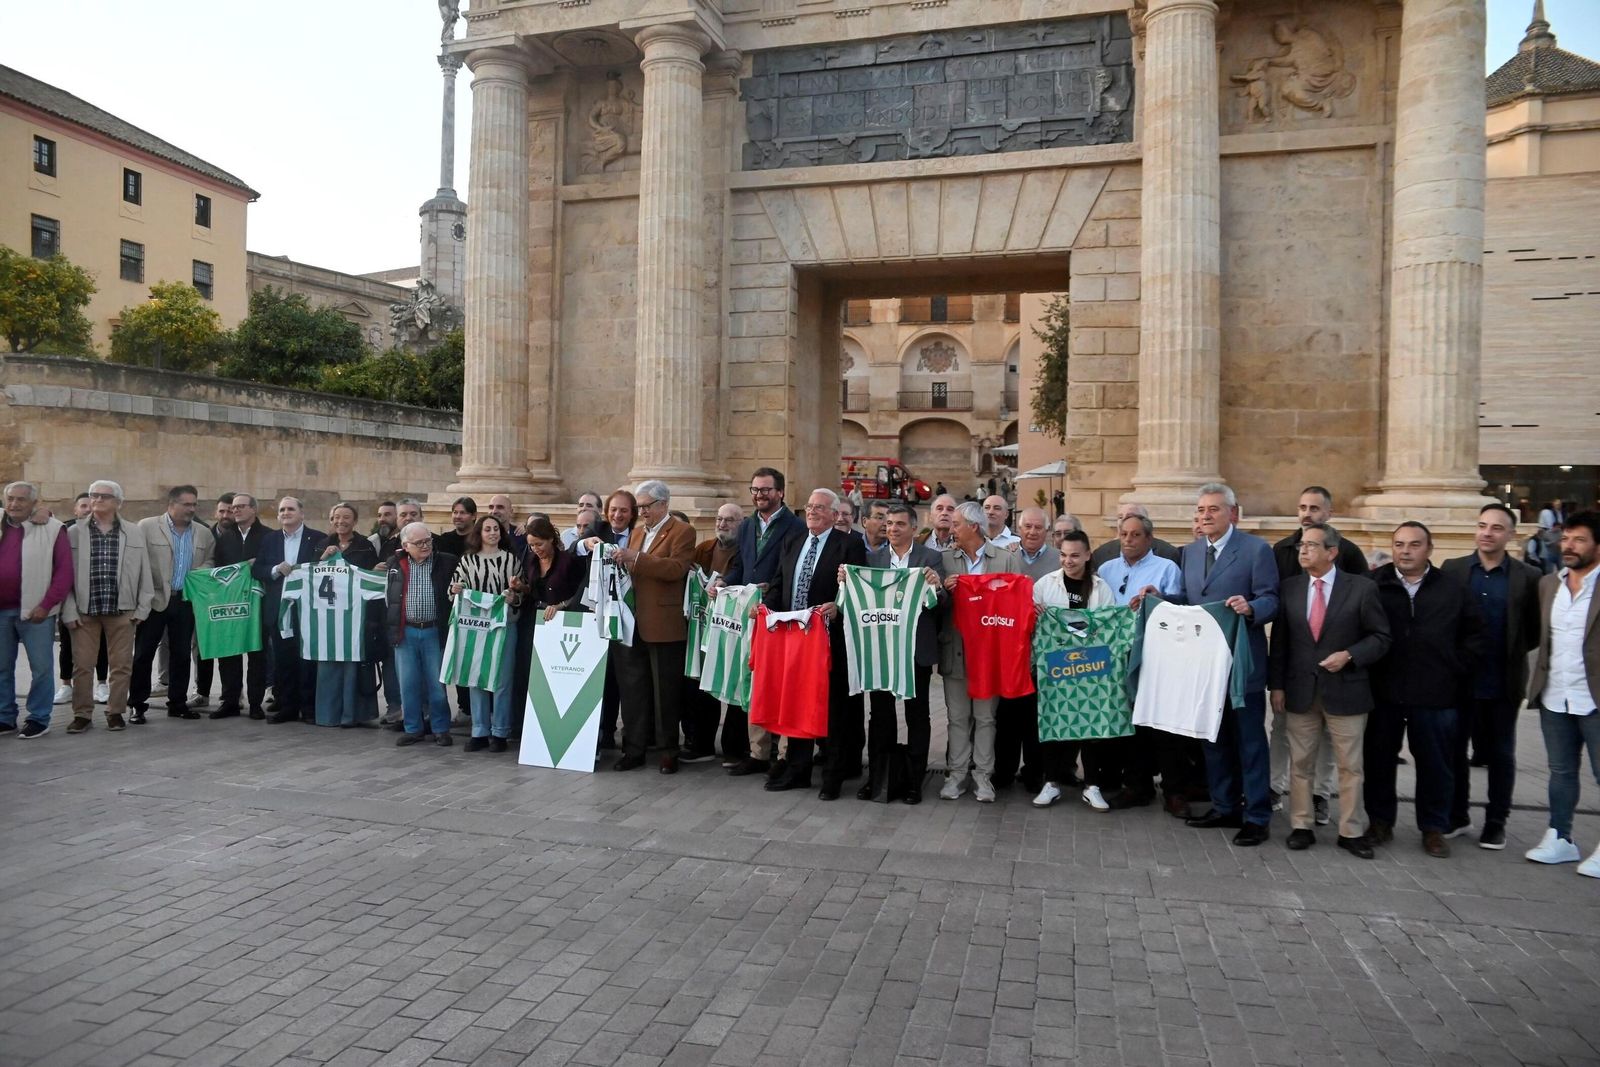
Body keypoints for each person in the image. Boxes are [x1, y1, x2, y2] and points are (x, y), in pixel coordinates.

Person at [1140, 483, 1279, 847]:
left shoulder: (1256, 550)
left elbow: (1271, 599)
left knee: (1250, 743)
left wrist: (1251, 608)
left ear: (1233, 513)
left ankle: (1257, 816)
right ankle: (1224, 806)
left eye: (1213, 509)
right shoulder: (1191, 552)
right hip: (1203, 666)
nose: (1205, 516)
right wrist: (1160, 598)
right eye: (1201, 510)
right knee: (1212, 739)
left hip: (1241, 664)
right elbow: (1188, 601)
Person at [1269, 523, 1391, 860]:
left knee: (1350, 766)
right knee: (1300, 763)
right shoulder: (1290, 588)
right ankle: (1301, 825)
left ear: (1332, 552)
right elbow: (1280, 642)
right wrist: (1276, 685)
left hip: (1347, 691)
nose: (1303, 550)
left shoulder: (1361, 588)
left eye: (1311, 545)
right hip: (1300, 691)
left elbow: (1381, 637)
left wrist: (1350, 655)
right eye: (1301, 545)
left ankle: (1351, 831)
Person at [1366, 521, 1480, 857]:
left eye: (1414, 545)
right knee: (1378, 761)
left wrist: (1454, 668)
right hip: (1384, 691)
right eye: (1399, 544)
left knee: (1435, 764)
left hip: (1435, 693)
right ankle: (1379, 822)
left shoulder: (1452, 588)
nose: (1405, 551)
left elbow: (1475, 635)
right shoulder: (1374, 585)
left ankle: (1433, 828)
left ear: (1429, 549)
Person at [1440, 504, 1542, 850]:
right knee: (1455, 751)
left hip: (1502, 682)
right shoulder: (1453, 569)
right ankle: (1457, 816)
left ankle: (1496, 822)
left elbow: (1532, 632)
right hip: (1459, 681)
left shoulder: (1528, 576)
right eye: (1482, 525)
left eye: (1496, 528)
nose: (1487, 533)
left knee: (1500, 755)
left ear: (1511, 534)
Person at [763, 488, 868, 796]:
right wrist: (767, 608)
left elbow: (856, 589)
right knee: (797, 705)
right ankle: (798, 771)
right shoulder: (793, 541)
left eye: (820, 507)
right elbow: (780, 581)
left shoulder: (849, 545)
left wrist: (839, 606)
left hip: (829, 641)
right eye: (809, 506)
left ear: (835, 515)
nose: (812, 511)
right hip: (794, 640)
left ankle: (833, 776)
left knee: (833, 709)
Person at [1096, 512, 1192, 813]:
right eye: (1124, 533)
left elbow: (1182, 609)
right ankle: (1137, 786)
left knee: (1164, 726)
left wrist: (1159, 599)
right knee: (1131, 723)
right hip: (1118, 657)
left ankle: (1174, 791)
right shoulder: (1106, 569)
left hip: (1158, 655)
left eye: (1136, 534)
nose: (1128, 540)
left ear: (1149, 538)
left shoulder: (1166, 568)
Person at [599, 481, 696, 774]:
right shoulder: (638, 532)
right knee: (633, 691)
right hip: (632, 622)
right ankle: (634, 749)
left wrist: (636, 558)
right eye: (639, 507)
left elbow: (676, 569)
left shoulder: (682, 531)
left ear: (663, 504)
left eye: (646, 506)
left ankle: (668, 751)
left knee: (665, 693)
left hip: (664, 624)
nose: (641, 512)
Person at [1523, 510, 1600, 876]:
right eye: (1566, 538)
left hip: (1595, 697)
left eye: (1579, 540)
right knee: (1561, 770)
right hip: (1555, 694)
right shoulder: (1548, 585)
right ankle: (1560, 837)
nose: (1568, 546)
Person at [859, 501, 945, 803]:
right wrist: (846, 582)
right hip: (882, 649)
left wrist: (937, 587)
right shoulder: (872, 559)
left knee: (917, 715)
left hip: (915, 649)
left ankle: (914, 781)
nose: (892, 529)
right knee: (880, 716)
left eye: (899, 524)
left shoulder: (930, 558)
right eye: (888, 524)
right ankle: (877, 778)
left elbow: (943, 603)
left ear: (913, 527)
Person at [721, 468, 804, 776]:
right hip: (750, 615)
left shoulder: (796, 527)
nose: (759, 495)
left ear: (780, 492)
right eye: (755, 489)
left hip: (779, 616)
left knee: (781, 686)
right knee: (755, 683)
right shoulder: (746, 525)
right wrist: (724, 583)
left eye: (766, 490)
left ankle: (783, 754)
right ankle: (758, 752)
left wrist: (771, 590)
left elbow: (791, 570)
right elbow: (741, 567)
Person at [938, 500, 1022, 803]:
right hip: (956, 650)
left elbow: (1017, 604)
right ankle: (956, 775)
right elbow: (933, 603)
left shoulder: (1006, 560)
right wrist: (943, 589)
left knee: (986, 718)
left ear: (974, 527)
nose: (951, 529)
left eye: (957, 524)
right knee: (957, 717)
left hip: (991, 654)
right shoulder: (944, 560)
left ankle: (983, 776)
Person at [1031, 529, 1116, 811]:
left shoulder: (1101, 588)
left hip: (1091, 664)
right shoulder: (1045, 584)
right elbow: (1032, 626)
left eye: (1075, 556)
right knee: (1053, 721)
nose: (1068, 561)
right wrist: (1034, 614)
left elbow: (1107, 625)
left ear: (1088, 555)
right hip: (1054, 665)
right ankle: (1051, 782)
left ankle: (1092, 785)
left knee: (1091, 725)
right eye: (1064, 555)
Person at [61, 481, 154, 734]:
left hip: (122, 610)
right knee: (82, 665)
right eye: (94, 495)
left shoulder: (133, 532)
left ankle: (115, 712)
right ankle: (82, 714)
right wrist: (68, 609)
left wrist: (143, 608)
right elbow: (63, 574)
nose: (98, 500)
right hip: (84, 610)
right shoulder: (73, 532)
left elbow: (145, 571)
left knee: (121, 665)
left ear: (118, 502)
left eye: (105, 496)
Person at [130, 484, 215, 724]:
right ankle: (137, 705)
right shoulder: (147, 527)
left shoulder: (203, 533)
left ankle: (177, 703)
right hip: (154, 600)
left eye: (194, 504)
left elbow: (210, 560)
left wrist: (201, 571)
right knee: (143, 654)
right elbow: (136, 562)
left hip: (185, 601)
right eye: (187, 504)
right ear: (171, 504)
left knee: (181, 654)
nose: (192, 509)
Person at [0, 481, 72, 739]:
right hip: (1, 611)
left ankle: (39, 718)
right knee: (1, 668)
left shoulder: (52, 528)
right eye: (10, 498)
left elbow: (64, 572)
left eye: (21, 499)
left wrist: (46, 605)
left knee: (41, 668)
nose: (14, 504)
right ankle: (5, 717)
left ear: (34, 503)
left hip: (36, 612)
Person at [448, 513, 523, 751]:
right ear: (479, 533)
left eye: (496, 529)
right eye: (487, 529)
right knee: (476, 677)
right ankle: (479, 731)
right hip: (475, 626)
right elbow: (452, 590)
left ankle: (500, 732)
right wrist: (455, 589)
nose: (493, 533)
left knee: (502, 679)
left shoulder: (511, 560)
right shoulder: (467, 560)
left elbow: (521, 592)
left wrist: (514, 597)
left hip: (504, 625)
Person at [253, 498, 329, 725]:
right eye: (282, 510)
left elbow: (324, 569)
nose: (286, 512)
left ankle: (309, 708)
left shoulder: (318, 538)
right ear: (278, 516)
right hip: (279, 610)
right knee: (283, 661)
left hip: (308, 609)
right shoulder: (270, 539)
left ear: (301, 513)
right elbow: (258, 570)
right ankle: (287, 707)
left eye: (291, 509)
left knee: (308, 661)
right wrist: (276, 569)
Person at [995, 506, 1053, 794]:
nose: (1032, 532)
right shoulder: (1006, 556)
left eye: (1038, 527)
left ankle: (1034, 773)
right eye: (1027, 527)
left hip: (1043, 650)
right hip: (1008, 650)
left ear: (1047, 531)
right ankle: (1003, 772)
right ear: (1018, 529)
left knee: (1035, 717)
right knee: (1007, 716)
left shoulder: (1058, 559)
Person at [388, 522, 457, 747]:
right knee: (408, 684)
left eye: (428, 540)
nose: (426, 546)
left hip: (434, 630)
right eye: (419, 543)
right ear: (406, 546)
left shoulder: (446, 562)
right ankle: (413, 729)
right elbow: (389, 598)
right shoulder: (394, 564)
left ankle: (440, 728)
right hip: (405, 631)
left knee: (436, 685)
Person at [687, 503, 744, 762]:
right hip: (703, 628)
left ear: (742, 524)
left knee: (735, 686)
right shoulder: (703, 549)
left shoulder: (746, 552)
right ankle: (702, 745)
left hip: (734, 627)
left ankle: (734, 749)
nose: (722, 524)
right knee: (703, 687)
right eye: (719, 519)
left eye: (729, 520)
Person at [211, 494, 270, 719]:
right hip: (231, 604)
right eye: (233, 507)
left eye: (241, 506)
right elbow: (217, 568)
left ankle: (255, 703)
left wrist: (257, 565)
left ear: (254, 509)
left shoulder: (268, 536)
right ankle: (230, 701)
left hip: (258, 604)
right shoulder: (225, 537)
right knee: (228, 654)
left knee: (257, 655)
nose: (235, 510)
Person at [53, 492, 106, 707]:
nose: (88, 509)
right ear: (75, 510)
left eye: (90, 505)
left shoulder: (106, 531)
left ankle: (102, 684)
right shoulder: (65, 531)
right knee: (67, 644)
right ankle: (66, 685)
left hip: (99, 597)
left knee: (102, 643)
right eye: (83, 505)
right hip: (71, 598)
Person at [1271, 486, 1371, 578]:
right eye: (1303, 508)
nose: (1307, 514)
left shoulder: (1348, 551)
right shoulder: (1281, 549)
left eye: (1314, 509)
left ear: (1328, 514)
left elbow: (1362, 586)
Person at [1090, 503, 1180, 567]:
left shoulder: (1167, 552)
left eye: (1130, 516)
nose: (1123, 521)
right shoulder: (1101, 553)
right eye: (1120, 517)